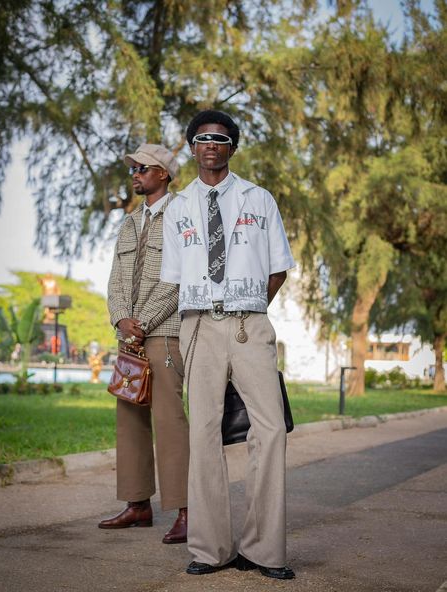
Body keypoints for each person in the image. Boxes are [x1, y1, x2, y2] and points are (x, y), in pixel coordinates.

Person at [161, 110, 296, 578]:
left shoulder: (259, 200)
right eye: (202, 138)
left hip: (249, 326)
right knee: (203, 433)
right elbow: (175, 280)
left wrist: (248, 305)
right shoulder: (177, 208)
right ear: (193, 147)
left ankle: (263, 550)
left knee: (271, 428)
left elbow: (277, 267)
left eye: (220, 139)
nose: (211, 145)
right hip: (198, 325)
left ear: (232, 148)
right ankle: (210, 549)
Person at [99, 144, 190, 545]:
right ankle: (138, 504)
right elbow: (115, 276)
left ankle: (187, 509)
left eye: (142, 168)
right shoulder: (129, 222)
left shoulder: (182, 216)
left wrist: (145, 322)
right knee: (129, 416)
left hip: (165, 332)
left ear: (164, 174)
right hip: (129, 334)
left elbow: (180, 278)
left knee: (170, 421)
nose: (134, 174)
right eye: (133, 168)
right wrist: (121, 318)